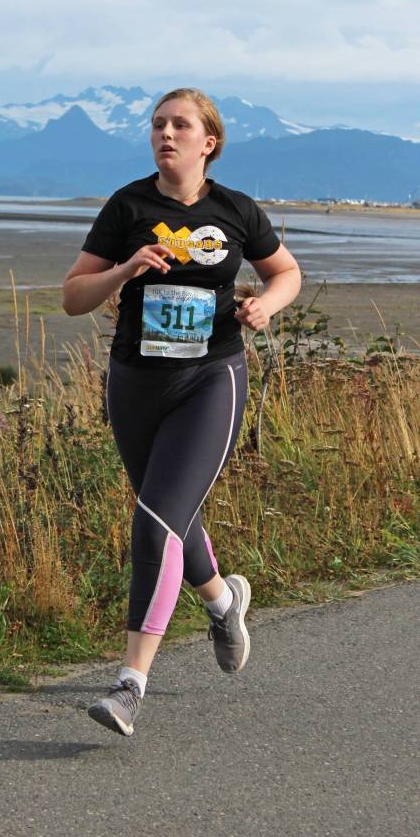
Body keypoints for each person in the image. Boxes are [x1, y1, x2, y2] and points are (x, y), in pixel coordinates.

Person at [62, 87, 301, 736]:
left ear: (208, 140)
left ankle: (128, 684)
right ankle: (223, 602)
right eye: (157, 124)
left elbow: (285, 273)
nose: (165, 133)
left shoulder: (235, 210)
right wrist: (125, 269)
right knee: (169, 513)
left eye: (180, 124)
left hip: (210, 379)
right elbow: (72, 296)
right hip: (134, 382)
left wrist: (265, 307)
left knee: (153, 521)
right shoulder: (127, 206)